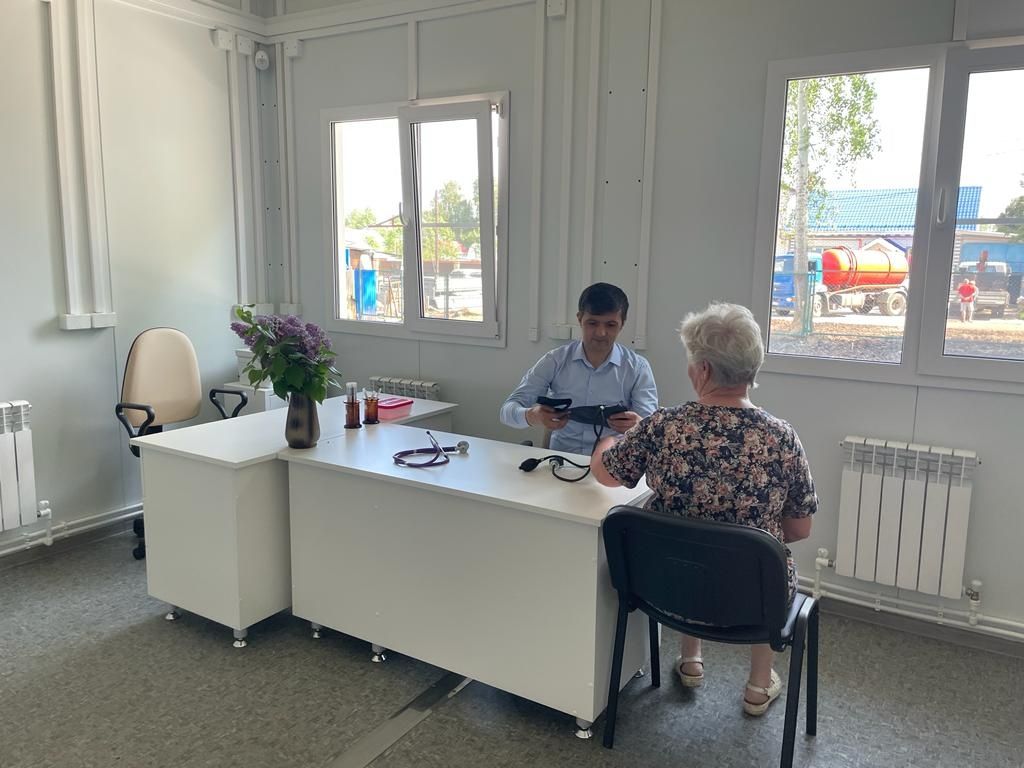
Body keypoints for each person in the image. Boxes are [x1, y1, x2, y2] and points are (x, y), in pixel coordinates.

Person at [590, 302, 817, 716]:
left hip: (664, 590)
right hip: (752, 602)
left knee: (688, 539)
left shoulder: (663, 426)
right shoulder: (782, 437)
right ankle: (758, 686)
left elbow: (606, 475)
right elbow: (800, 529)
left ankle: (690, 660)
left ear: (704, 370)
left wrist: (607, 442)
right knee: (764, 556)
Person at [499, 283, 658, 455]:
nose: (601, 332)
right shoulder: (555, 361)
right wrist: (531, 416)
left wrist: (639, 425)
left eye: (611, 325)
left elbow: (654, 431)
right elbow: (506, 411)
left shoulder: (637, 368)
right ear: (579, 318)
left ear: (622, 324)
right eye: (592, 323)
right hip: (561, 459)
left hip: (613, 462)